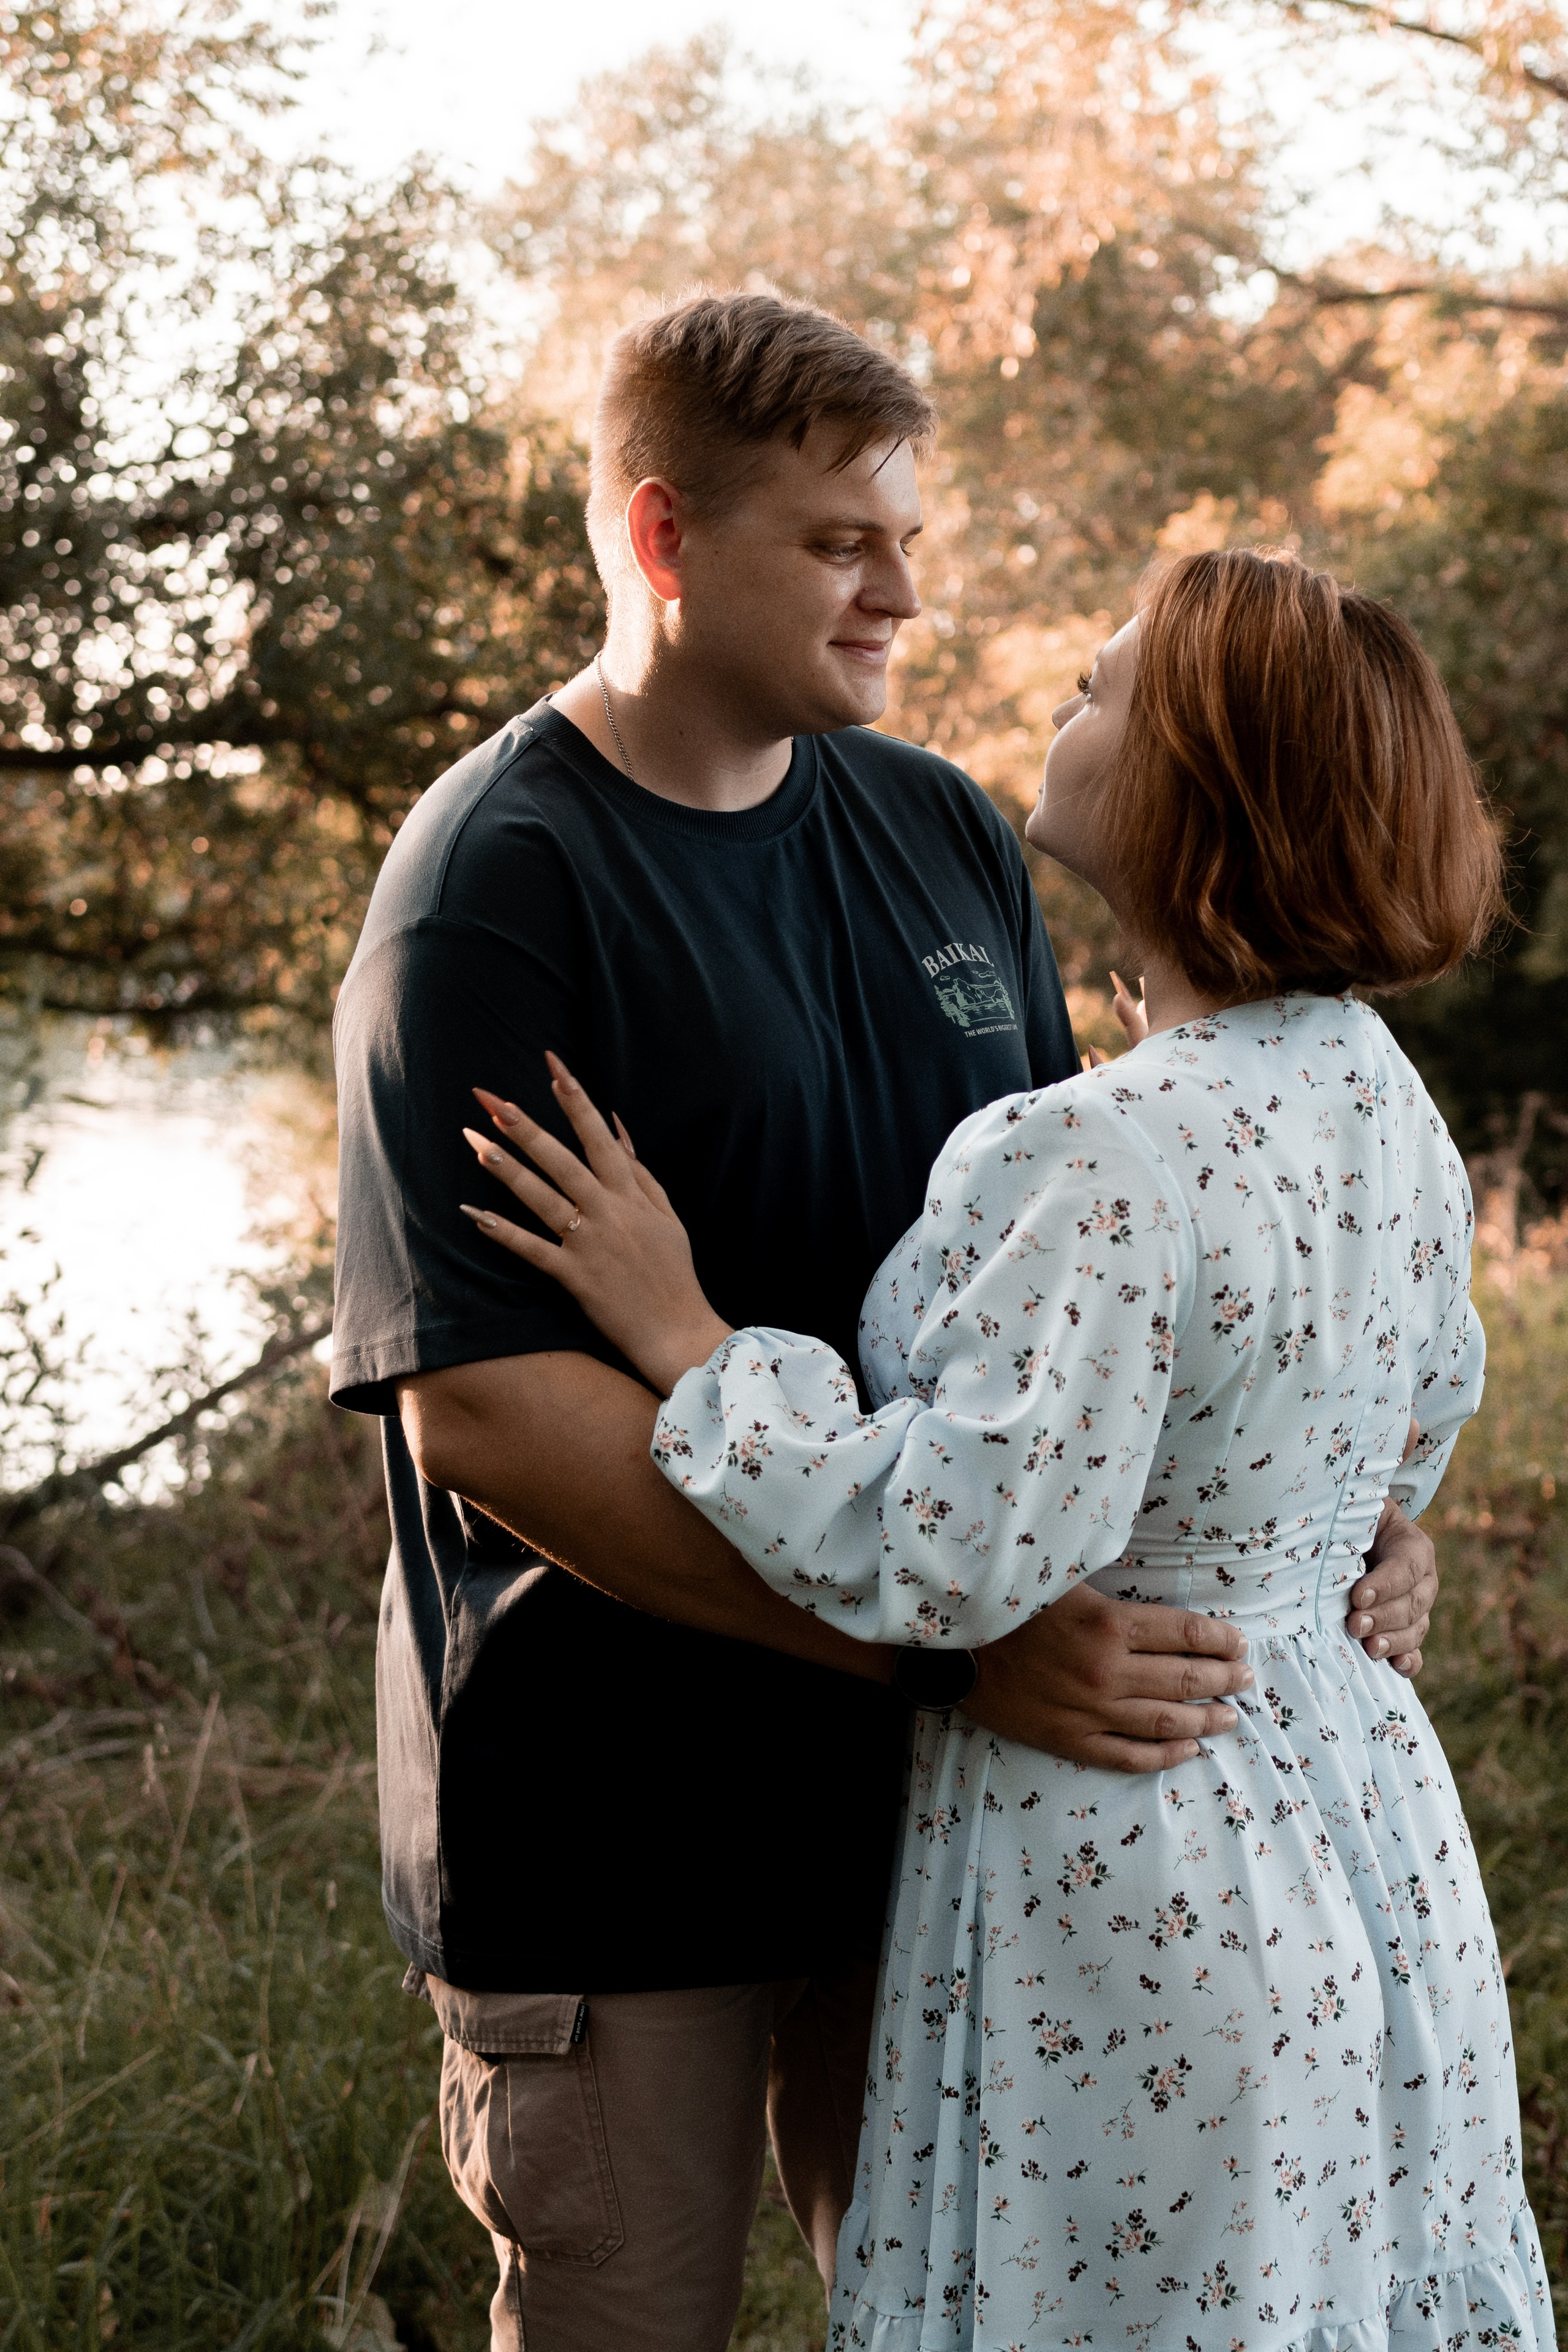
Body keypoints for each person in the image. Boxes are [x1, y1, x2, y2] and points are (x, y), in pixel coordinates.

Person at [330, 293, 1435, 2351]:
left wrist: (1329, 1509)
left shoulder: (937, 832)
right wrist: (942, 1656)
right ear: (662, 539)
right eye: (843, 542)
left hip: (945, 1832)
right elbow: (476, 1412)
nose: (905, 591)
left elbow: (1112, 1295)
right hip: (625, 1834)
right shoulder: (499, 890)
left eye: (905, 531)